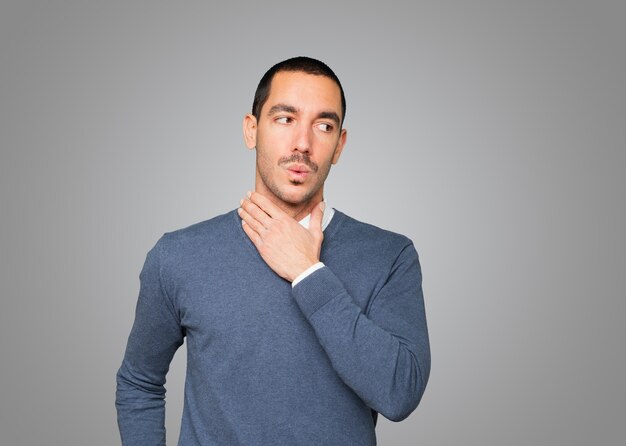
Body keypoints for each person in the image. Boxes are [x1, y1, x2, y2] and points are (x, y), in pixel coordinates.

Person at [116, 56, 430, 445]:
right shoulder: (179, 255)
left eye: (323, 125)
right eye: (285, 119)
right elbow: (139, 381)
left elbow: (400, 394)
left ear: (339, 145)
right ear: (252, 131)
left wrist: (308, 273)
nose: (303, 143)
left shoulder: (389, 256)